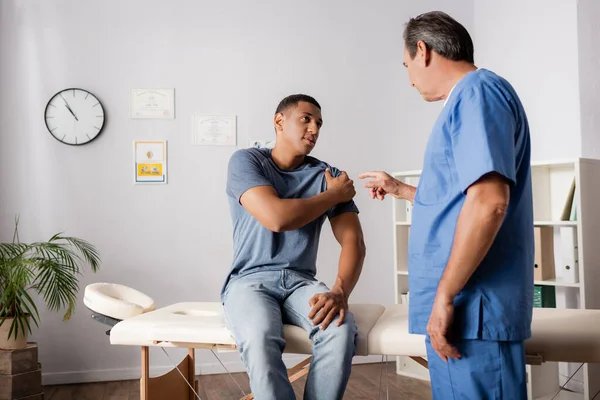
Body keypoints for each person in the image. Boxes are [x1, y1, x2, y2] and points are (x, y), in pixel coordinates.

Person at [360, 11, 534, 399]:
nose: (409, 78)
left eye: (407, 65)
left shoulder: (478, 93)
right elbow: (460, 198)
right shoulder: (468, 99)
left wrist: (445, 296)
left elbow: (489, 202)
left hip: (473, 308)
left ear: (422, 51)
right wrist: (401, 190)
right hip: (465, 309)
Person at [222, 94, 366, 400]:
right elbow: (276, 218)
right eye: (306, 119)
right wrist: (332, 196)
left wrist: (340, 292)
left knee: (340, 329)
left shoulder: (328, 176)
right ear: (279, 122)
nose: (314, 129)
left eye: (319, 123)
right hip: (250, 281)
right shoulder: (246, 161)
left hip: (301, 282)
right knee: (260, 338)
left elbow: (353, 241)